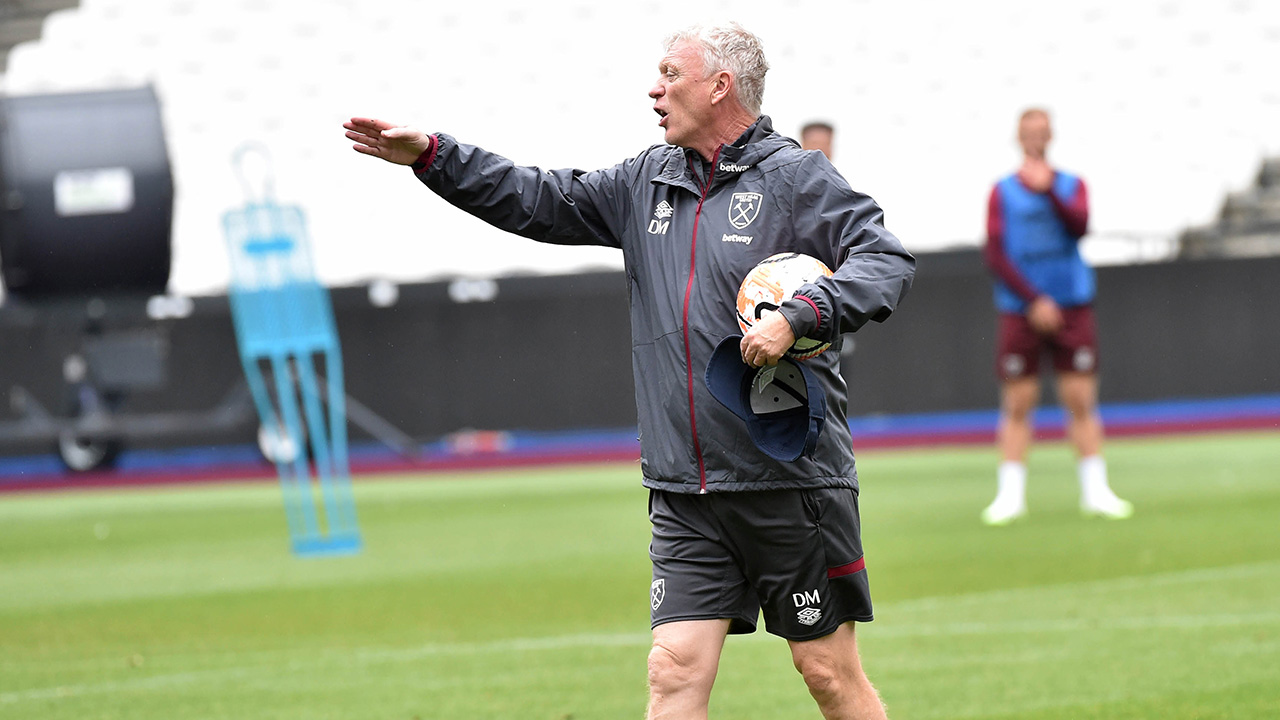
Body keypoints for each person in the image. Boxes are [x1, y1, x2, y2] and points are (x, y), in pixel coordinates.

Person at [345, 22, 914, 720]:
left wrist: (800, 316)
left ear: (719, 86)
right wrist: (434, 155)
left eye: (670, 73)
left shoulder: (798, 178)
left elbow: (884, 261)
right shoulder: (647, 180)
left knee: (826, 671)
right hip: (683, 491)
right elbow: (537, 197)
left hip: (787, 482)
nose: (655, 87)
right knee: (672, 675)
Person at [981, 108, 1132, 526]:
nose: (1035, 138)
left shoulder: (1071, 185)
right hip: (1020, 307)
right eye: (1028, 132)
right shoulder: (1002, 191)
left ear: (1050, 136)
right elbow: (995, 252)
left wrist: (1048, 193)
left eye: (1041, 132)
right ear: (1018, 136)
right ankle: (1010, 496)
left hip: (1072, 303)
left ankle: (1095, 491)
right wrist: (1032, 301)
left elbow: (1080, 226)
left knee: (1080, 398)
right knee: (1018, 401)